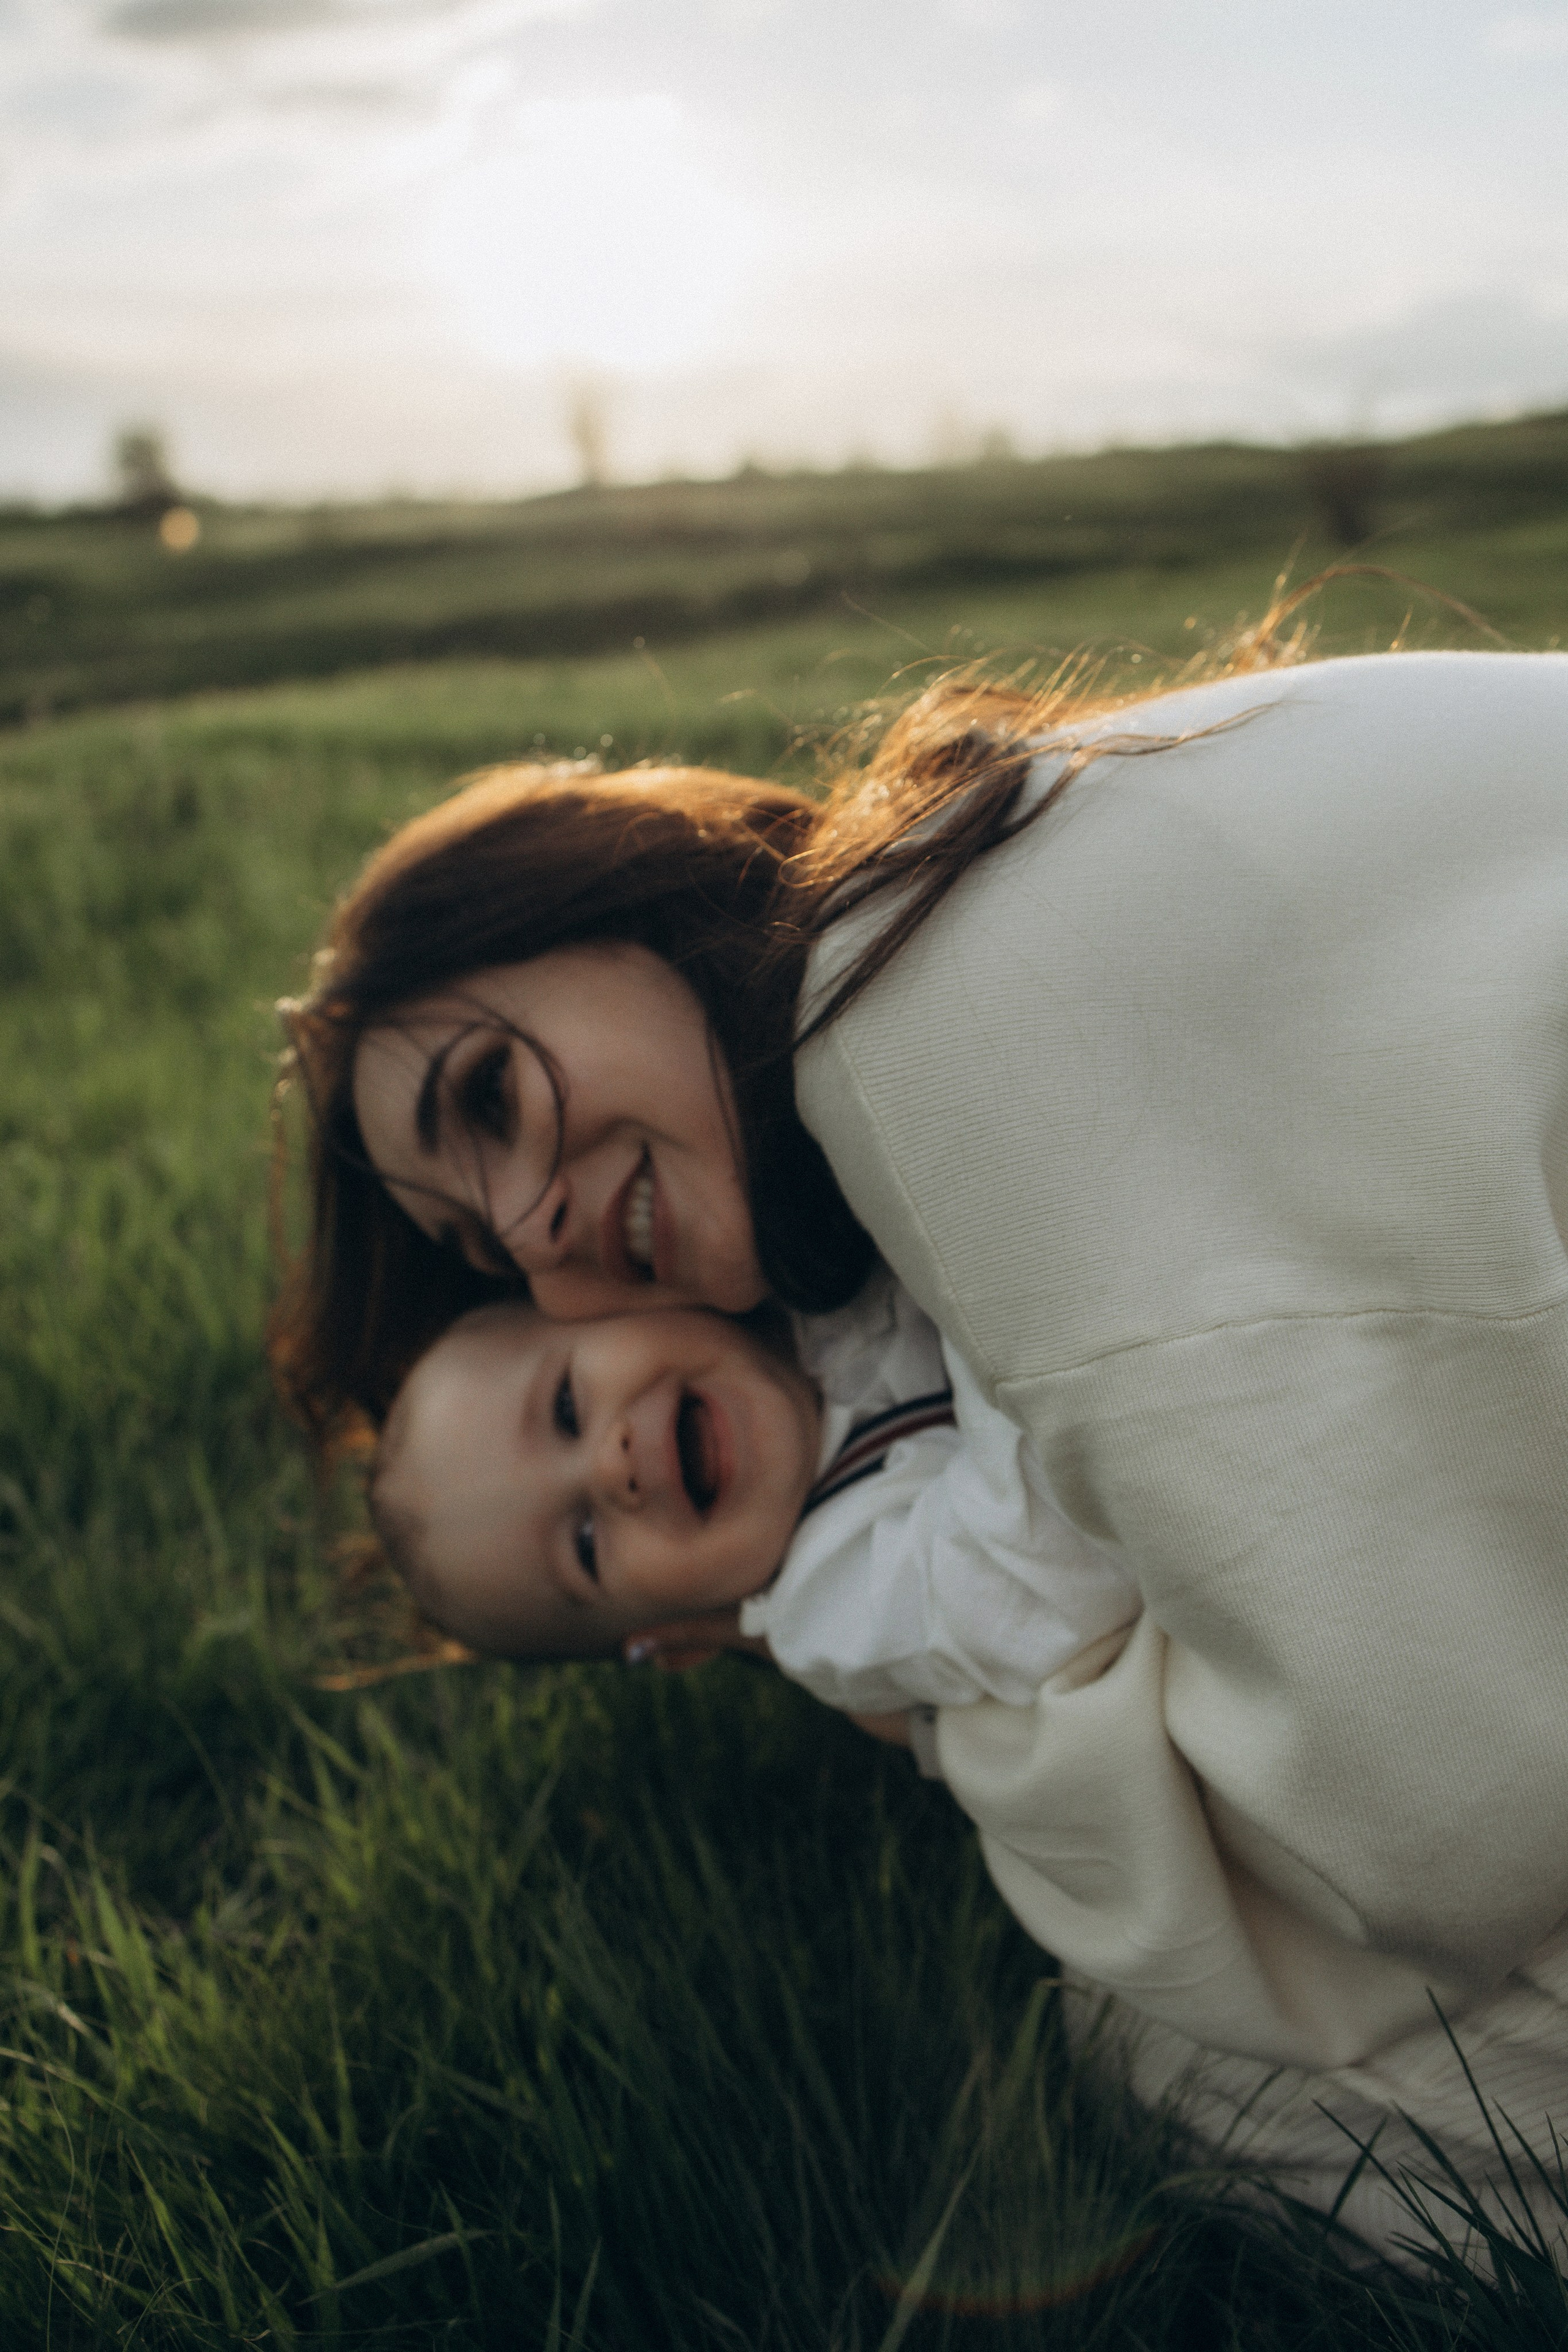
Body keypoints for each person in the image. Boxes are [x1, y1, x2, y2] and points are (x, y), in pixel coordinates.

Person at [274, 642, 1568, 2260]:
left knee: (1190, 2072)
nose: (537, 1235)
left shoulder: (909, 1022)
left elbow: (1445, 1823)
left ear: (606, 901)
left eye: (487, 1098)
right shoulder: (984, 861)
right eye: (482, 1250)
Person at [367, 1269, 1138, 1722]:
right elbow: (1057, 1571)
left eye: (567, 1406)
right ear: (682, 1637)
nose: (609, 1471)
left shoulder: (803, 1267)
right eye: (586, 1546)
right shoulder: (836, 1607)